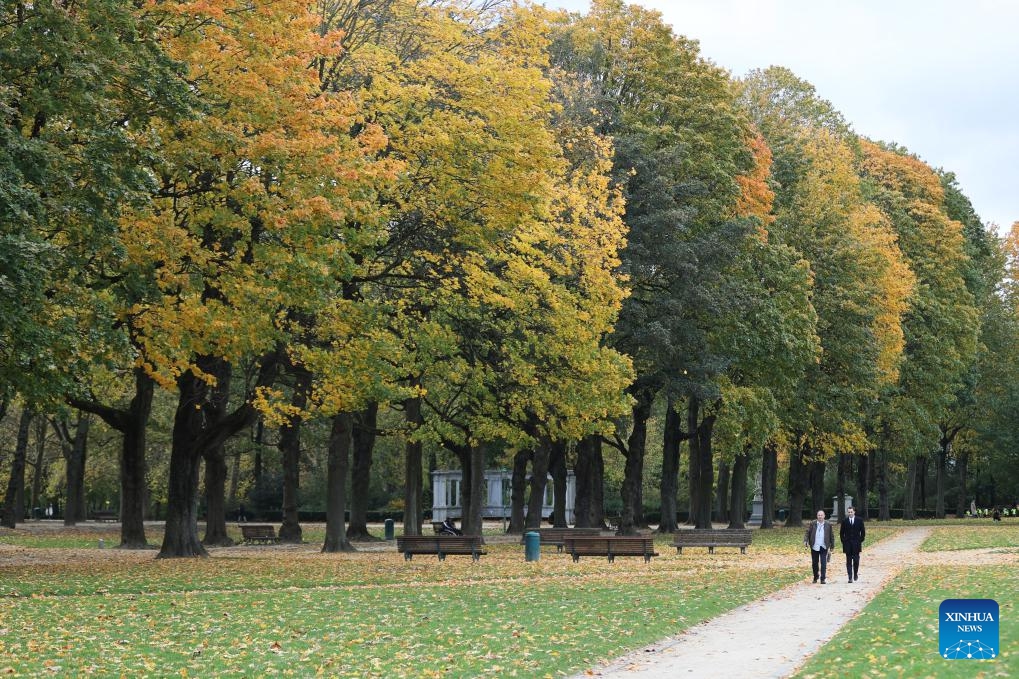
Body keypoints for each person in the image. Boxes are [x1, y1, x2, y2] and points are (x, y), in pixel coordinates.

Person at [804, 509, 834, 584]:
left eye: (821, 515)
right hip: (814, 546)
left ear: (824, 516)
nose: (820, 516)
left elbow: (831, 535)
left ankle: (823, 578)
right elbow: (807, 532)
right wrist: (805, 541)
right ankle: (815, 576)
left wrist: (832, 546)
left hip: (824, 546)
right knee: (814, 563)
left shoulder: (828, 524)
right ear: (817, 516)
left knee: (823, 563)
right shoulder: (813, 523)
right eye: (818, 515)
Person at [839, 505, 866, 583]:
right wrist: (843, 541)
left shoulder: (859, 520)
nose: (850, 513)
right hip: (847, 544)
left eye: (851, 512)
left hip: (856, 544)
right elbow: (841, 533)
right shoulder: (844, 521)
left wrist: (860, 540)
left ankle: (855, 573)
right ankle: (850, 577)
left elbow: (863, 532)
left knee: (856, 561)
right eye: (849, 512)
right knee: (848, 561)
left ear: (854, 512)